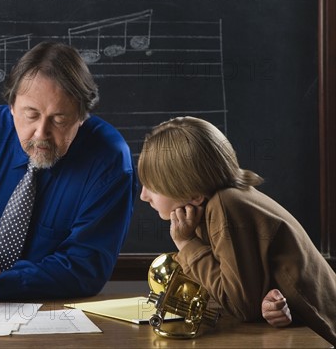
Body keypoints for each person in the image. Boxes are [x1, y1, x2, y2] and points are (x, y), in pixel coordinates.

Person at [0, 41, 136, 303]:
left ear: (82, 116)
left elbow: (84, 266)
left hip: (54, 315)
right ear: (11, 107)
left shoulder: (109, 159)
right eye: (31, 115)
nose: (41, 133)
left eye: (59, 120)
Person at [138, 116, 336, 345]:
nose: (144, 196)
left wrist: (186, 243)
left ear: (194, 195)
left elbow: (241, 306)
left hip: (322, 336)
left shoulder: (225, 206)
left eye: (152, 186)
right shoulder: (222, 201)